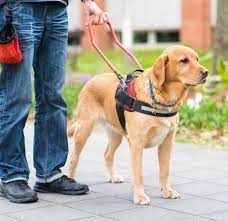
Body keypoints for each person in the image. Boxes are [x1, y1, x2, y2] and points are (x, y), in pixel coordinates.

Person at [0, 0, 108, 203]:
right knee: (17, 96)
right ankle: (11, 174)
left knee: (53, 96)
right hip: (20, 8)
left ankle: (49, 173)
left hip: (57, 9)